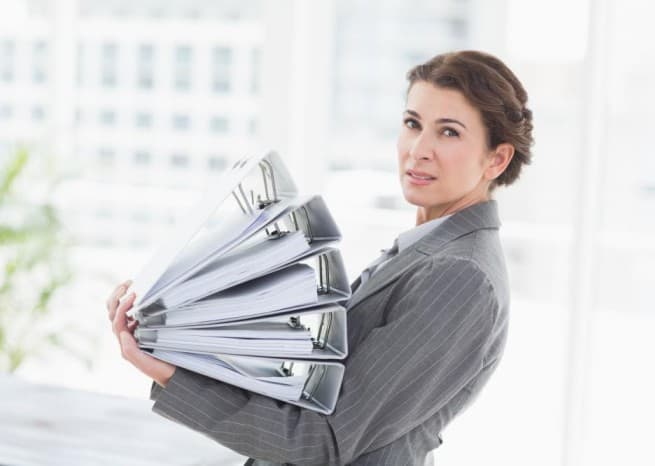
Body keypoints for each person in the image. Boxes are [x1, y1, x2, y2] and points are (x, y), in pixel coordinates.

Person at [106, 50, 533, 466]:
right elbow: (308, 383)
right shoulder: (429, 247)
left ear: (497, 158)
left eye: (449, 132)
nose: (418, 149)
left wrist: (169, 376)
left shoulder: (459, 275)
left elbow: (325, 439)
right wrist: (166, 337)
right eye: (412, 123)